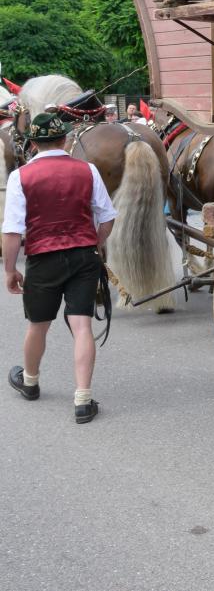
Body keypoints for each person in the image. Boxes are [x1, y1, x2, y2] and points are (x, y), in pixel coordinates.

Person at [3, 113, 117, 424]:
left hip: (43, 258)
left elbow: (12, 231)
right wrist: (94, 241)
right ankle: (82, 399)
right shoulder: (87, 170)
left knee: (38, 324)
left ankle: (29, 380)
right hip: (83, 255)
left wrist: (10, 269)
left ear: (33, 143)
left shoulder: (20, 177)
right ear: (65, 139)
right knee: (81, 325)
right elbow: (107, 217)